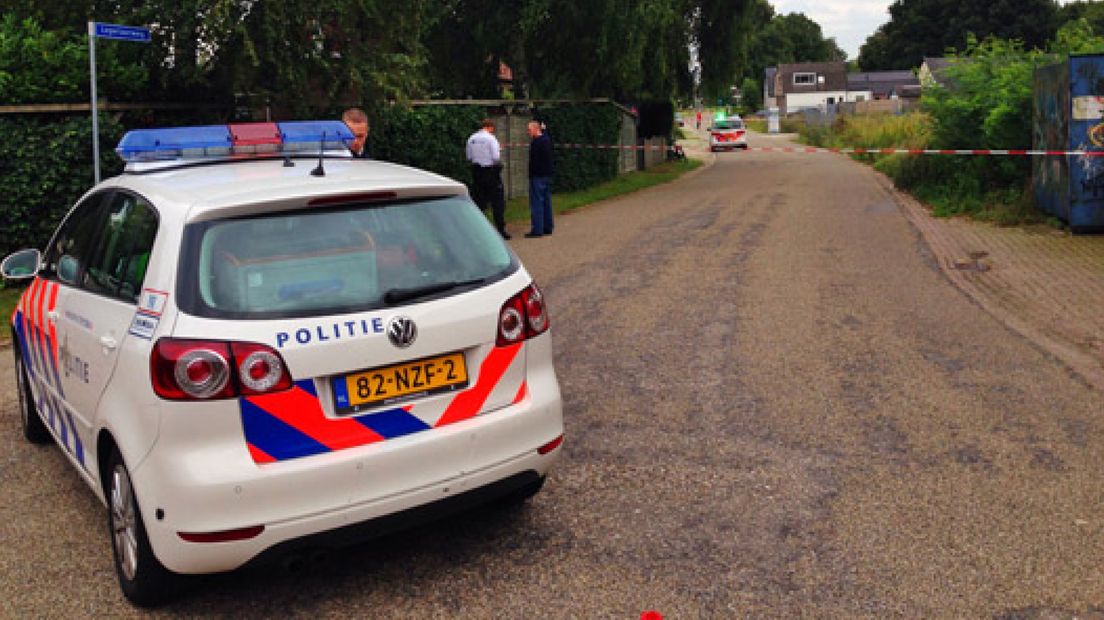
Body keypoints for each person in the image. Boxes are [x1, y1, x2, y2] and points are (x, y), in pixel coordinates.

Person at [465, 118, 510, 239]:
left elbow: (469, 156)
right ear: (490, 127)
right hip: (490, 172)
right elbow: (495, 157)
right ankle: (501, 229)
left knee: (479, 201)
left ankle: (477, 229)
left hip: (477, 173)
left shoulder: (471, 138)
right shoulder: (491, 139)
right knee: (498, 202)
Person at [525, 120, 554, 238]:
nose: (528, 132)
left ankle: (537, 229)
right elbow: (546, 133)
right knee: (547, 201)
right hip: (547, 175)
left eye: (529, 130)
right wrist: (545, 129)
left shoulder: (536, 143)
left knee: (537, 202)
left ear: (536, 129)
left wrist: (531, 174)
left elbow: (534, 162)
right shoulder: (546, 140)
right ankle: (548, 226)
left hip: (537, 176)